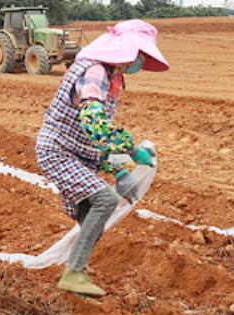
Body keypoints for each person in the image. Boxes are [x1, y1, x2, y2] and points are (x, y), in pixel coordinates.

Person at [35, 20, 169, 296]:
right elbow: (94, 123)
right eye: (140, 55)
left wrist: (118, 172)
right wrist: (131, 149)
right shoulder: (95, 72)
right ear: (126, 52)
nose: (141, 61)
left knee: (91, 220)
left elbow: (95, 138)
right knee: (105, 201)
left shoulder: (112, 78)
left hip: (78, 154)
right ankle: (73, 273)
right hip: (59, 151)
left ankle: (77, 280)